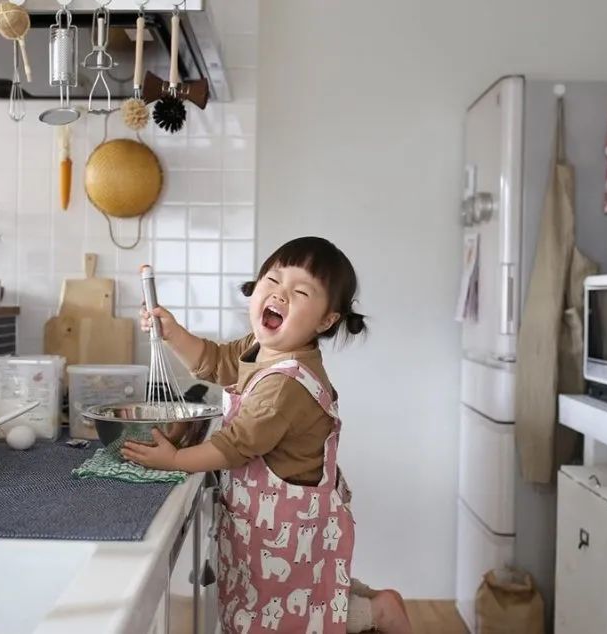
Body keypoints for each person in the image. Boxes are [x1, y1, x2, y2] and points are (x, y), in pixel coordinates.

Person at [124, 236, 412, 633]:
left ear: (326, 320)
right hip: (268, 524)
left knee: (287, 617)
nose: (280, 295)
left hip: (289, 527)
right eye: (273, 281)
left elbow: (234, 446)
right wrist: (174, 333)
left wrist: (174, 461)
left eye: (300, 291)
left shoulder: (286, 385)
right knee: (290, 599)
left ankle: (378, 612)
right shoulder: (261, 347)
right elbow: (218, 361)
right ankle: (369, 601)